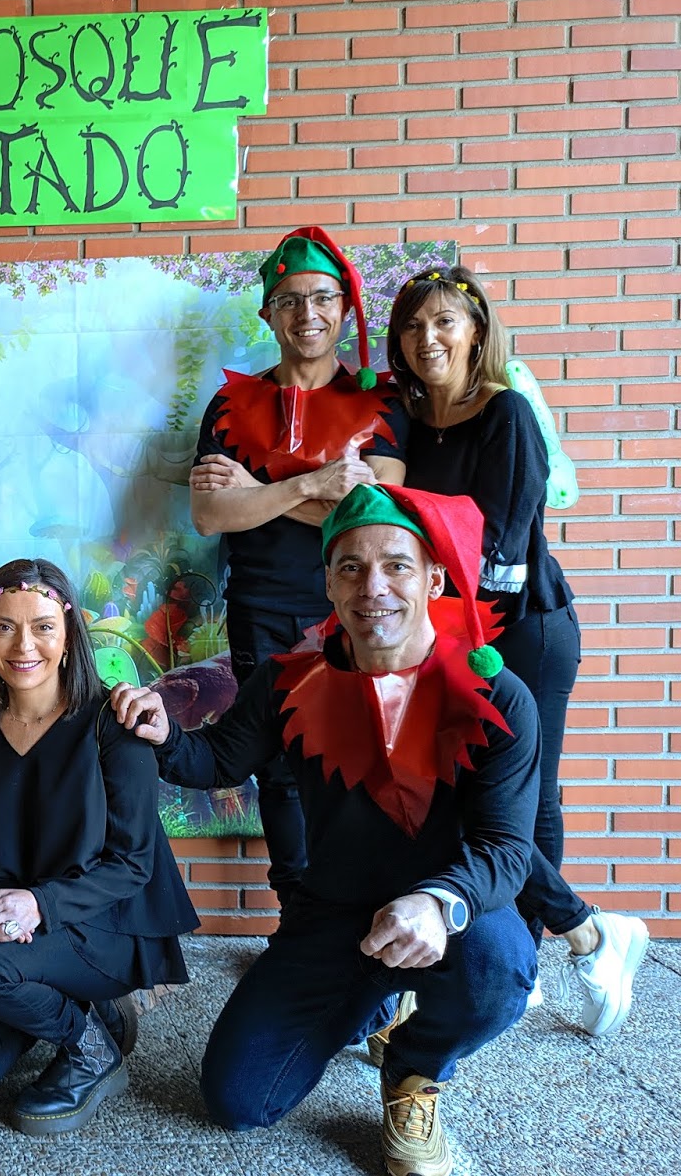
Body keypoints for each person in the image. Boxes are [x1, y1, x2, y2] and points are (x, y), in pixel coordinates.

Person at [113, 483, 538, 1176]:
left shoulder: (496, 695)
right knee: (237, 1101)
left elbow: (506, 850)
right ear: (330, 585)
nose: (374, 587)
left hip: (447, 920)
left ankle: (414, 1067)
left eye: (397, 565)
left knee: (501, 966)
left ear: (433, 575)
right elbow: (219, 759)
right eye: (351, 567)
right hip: (334, 914)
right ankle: (372, 1005)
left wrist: (438, 903)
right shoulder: (291, 682)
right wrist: (165, 736)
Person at [390, 266, 648, 1035]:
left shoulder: (505, 415)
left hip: (519, 630)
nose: (427, 338)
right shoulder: (410, 421)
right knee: (460, 796)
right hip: (451, 634)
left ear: (476, 330)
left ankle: (542, 951)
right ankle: (586, 934)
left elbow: (498, 551)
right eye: (412, 326)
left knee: (525, 800)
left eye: (444, 321)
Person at [0, 559, 199, 1135]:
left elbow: (133, 863)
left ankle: (91, 1048)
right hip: (22, 931)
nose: (23, 645)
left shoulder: (114, 723)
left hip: (103, 926)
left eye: (42, 625)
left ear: (68, 637)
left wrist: (38, 905)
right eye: (3, 627)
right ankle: (61, 1001)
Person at [189, 226, 409, 905]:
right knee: (283, 766)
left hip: (361, 605)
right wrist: (313, 486)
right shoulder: (230, 406)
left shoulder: (383, 404)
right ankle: (301, 917)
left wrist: (257, 493)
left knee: (372, 757)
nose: (305, 314)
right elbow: (209, 516)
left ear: (344, 308)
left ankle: (373, 910)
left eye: (320, 298)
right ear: (266, 313)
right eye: (287, 300)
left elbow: (377, 517)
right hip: (262, 606)